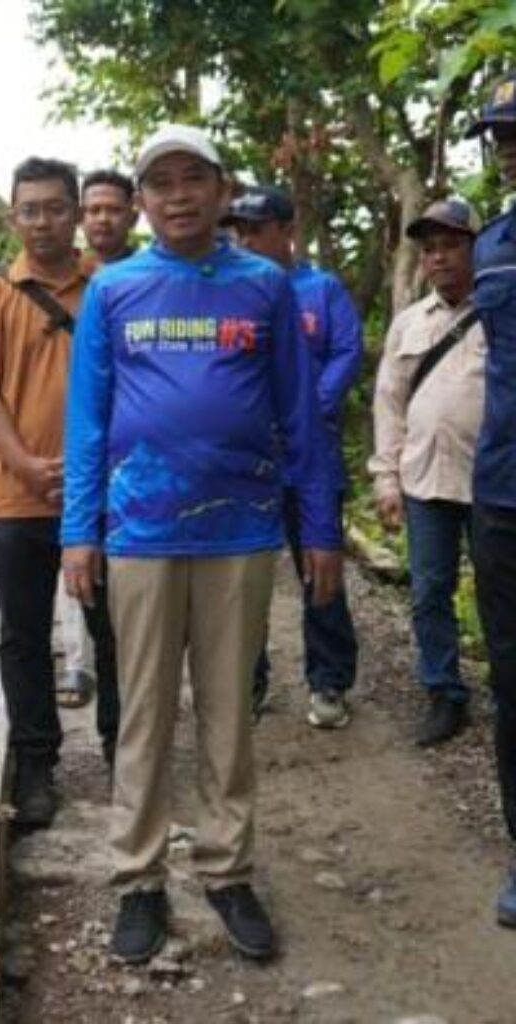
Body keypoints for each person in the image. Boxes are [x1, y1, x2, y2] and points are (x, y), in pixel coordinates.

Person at [62, 125, 343, 964]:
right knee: (142, 712)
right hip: (140, 535)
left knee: (229, 713)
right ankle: (139, 881)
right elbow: (88, 423)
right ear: (140, 202)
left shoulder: (263, 288)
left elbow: (301, 417)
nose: (178, 195)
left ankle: (227, 870)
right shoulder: (115, 292)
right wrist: (81, 531)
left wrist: (319, 527)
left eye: (194, 179)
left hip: (243, 532)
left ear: (223, 193)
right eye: (161, 183)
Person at [0, 157, 118, 827]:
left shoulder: (113, 288)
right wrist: (22, 462)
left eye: (57, 207)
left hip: (104, 498)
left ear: (78, 212)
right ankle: (35, 766)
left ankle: (125, 754)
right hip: (17, 496)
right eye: (31, 210)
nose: (44, 221)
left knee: (120, 633)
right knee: (23, 636)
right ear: (12, 217)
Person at [222, 186, 362, 728]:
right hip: (251, 460)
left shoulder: (320, 289)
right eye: (241, 231)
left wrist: (304, 412)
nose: (247, 240)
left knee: (319, 568)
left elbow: (346, 353)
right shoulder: (233, 292)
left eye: (258, 229)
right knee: (242, 575)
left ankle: (329, 681)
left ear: (287, 230)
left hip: (311, 455)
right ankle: (246, 681)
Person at [368, 199, 484, 748]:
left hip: (496, 481)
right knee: (430, 590)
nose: (439, 258)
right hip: (425, 479)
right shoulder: (410, 323)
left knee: (501, 590)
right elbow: (389, 403)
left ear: (475, 247)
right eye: (430, 248)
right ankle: (444, 692)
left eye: (451, 245)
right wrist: (385, 477)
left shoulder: (503, 310)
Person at [53, 168, 138, 747]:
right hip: (69, 464)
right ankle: (79, 674)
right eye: (93, 210)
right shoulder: (68, 282)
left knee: (124, 624)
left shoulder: (152, 281)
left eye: (113, 208)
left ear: (134, 212)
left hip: (133, 476)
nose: (102, 218)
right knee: (78, 589)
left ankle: (122, 740)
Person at [464, 71, 516, 927]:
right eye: (501, 133)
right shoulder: (492, 244)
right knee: (512, 683)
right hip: (504, 494)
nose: (507, 144)